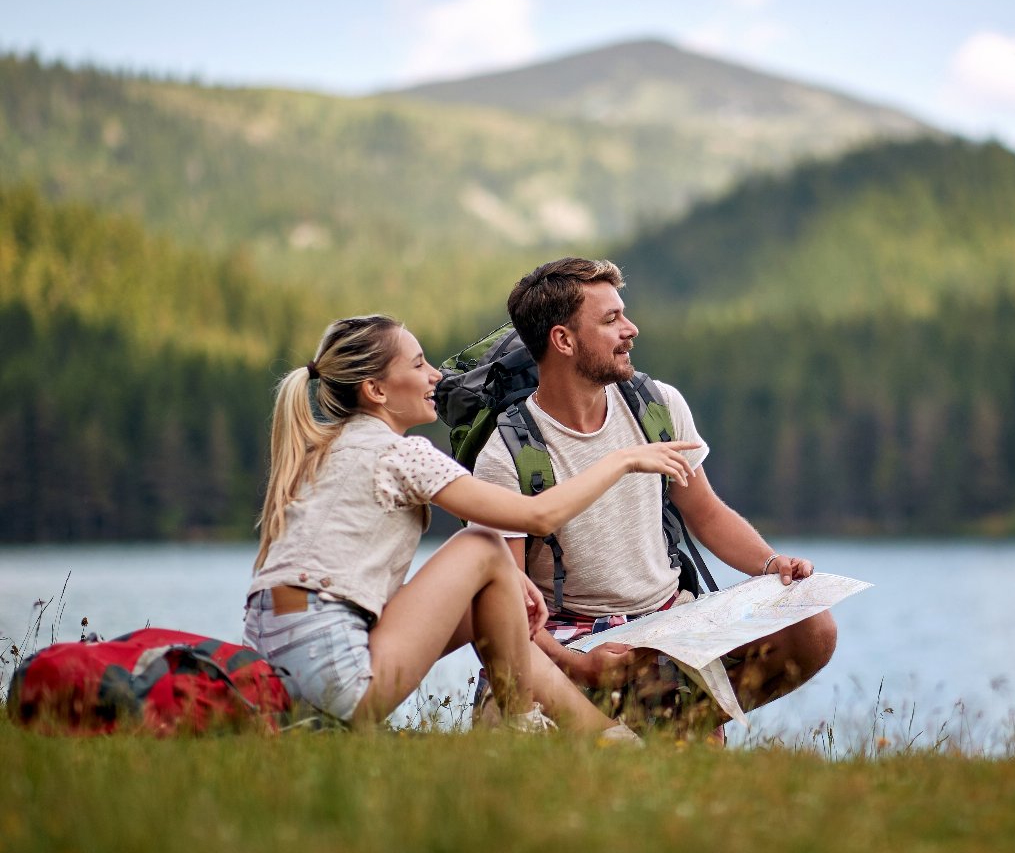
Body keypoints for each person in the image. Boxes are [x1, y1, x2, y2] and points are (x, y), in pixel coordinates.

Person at [244, 313, 699, 735]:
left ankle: (596, 735)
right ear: (376, 391)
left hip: (279, 676)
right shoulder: (400, 454)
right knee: (482, 544)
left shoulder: (322, 451)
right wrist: (622, 460)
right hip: (337, 674)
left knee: (489, 583)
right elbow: (538, 514)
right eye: (419, 365)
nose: (436, 377)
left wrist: (503, 584)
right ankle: (537, 725)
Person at [472, 258, 837, 733]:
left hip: (668, 622)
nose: (631, 329)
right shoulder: (508, 454)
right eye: (611, 320)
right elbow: (503, 606)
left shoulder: (657, 405)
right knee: (511, 731)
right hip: (568, 638)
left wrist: (772, 565)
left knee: (814, 628)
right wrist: (578, 665)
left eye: (624, 314)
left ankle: (671, 725)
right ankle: (642, 726)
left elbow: (705, 513)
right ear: (563, 340)